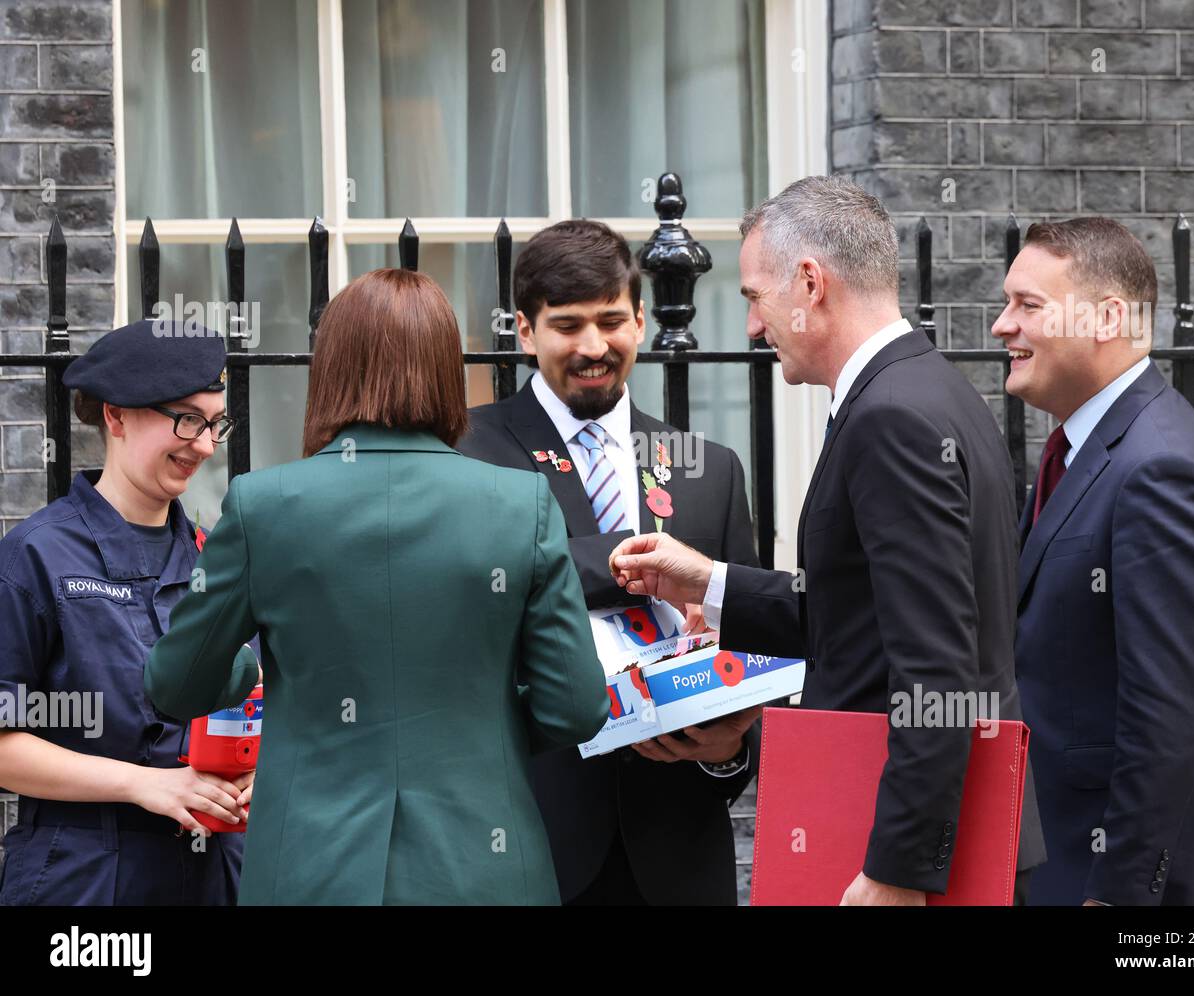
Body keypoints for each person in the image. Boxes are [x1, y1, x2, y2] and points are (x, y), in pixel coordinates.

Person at [608, 175, 1046, 905]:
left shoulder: (889, 419)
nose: (753, 326)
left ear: (810, 282)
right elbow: (864, 615)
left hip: (911, 855)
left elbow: (936, 669)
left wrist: (897, 871)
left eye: (755, 297)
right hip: (948, 832)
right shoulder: (931, 391)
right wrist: (710, 582)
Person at [145, 268, 609, 905]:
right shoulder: (522, 503)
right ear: (446, 371)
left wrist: (247, 669)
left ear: (331, 369)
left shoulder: (264, 504)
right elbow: (577, 708)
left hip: (312, 870)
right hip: (483, 870)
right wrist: (480, 722)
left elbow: (174, 684)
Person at [992, 217, 1194, 905]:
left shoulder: (1159, 468)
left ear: (1106, 317)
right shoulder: (1083, 452)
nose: (1001, 326)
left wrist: (1116, 894)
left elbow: (1166, 717)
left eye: (1027, 305)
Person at [458, 220, 761, 906]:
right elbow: (467, 596)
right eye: (567, 325)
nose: (594, 347)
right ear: (526, 331)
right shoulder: (466, 452)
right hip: (527, 851)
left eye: (611, 321)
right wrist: (636, 563)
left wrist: (728, 751)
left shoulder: (709, 470)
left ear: (642, 321)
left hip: (679, 860)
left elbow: (749, 641)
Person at [0, 319, 258, 905]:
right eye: (187, 419)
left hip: (215, 875)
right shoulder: (35, 556)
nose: (206, 445)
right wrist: (146, 785)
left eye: (215, 422)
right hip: (84, 878)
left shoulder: (217, 556)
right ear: (115, 416)